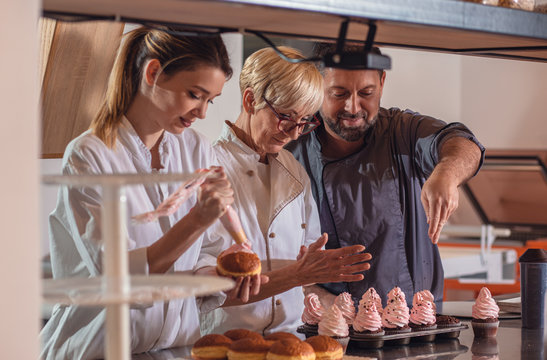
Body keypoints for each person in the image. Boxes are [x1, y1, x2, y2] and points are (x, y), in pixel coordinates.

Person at [40, 27, 260, 359]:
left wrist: (219, 273)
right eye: (194, 94)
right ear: (153, 72)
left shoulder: (197, 150)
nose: (202, 113)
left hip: (173, 348)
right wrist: (195, 221)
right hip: (98, 349)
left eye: (210, 100)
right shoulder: (91, 155)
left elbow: (206, 250)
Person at [285, 44, 485, 311]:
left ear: (382, 82)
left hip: (417, 326)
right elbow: (281, 263)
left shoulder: (401, 131)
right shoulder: (290, 152)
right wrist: (328, 304)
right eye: (338, 93)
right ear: (316, 87)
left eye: (366, 93)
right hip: (329, 326)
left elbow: (463, 142)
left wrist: (447, 173)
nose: (353, 107)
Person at [195, 46, 372, 336]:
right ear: (250, 100)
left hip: (291, 339)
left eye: (304, 122)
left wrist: (316, 275)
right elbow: (204, 291)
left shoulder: (294, 171)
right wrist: (297, 273)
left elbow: (306, 271)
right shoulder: (208, 167)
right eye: (286, 117)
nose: (293, 133)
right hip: (225, 342)